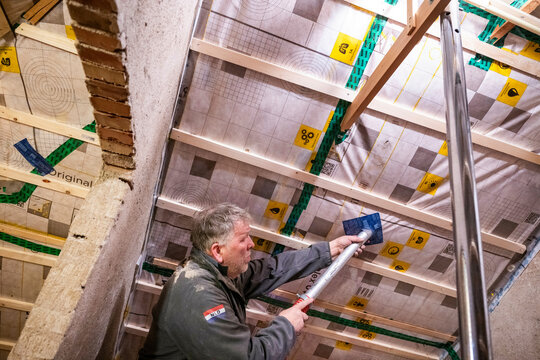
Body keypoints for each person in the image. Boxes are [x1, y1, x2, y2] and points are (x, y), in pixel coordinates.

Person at [139, 203, 365, 360]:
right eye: (243, 238)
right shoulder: (198, 296)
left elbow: (270, 270)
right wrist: (285, 325)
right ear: (218, 250)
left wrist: (329, 250)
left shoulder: (216, 272)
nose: (252, 244)